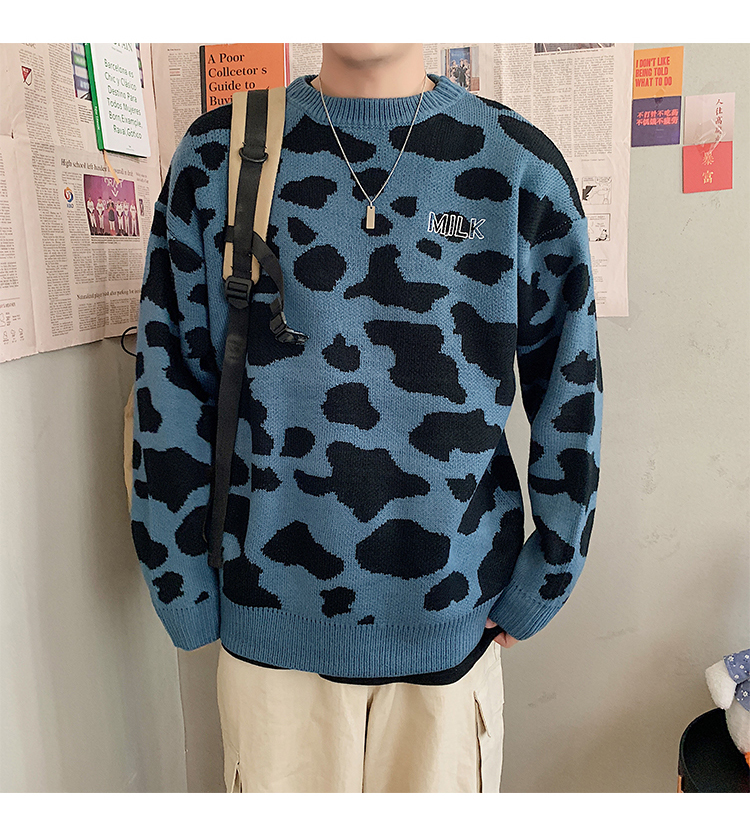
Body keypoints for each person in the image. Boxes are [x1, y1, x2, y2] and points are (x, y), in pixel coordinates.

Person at [130, 42, 602, 793]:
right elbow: (170, 382)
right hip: (270, 636)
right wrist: (179, 581)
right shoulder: (219, 155)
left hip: (452, 627)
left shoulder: (517, 165)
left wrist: (550, 570)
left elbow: (570, 388)